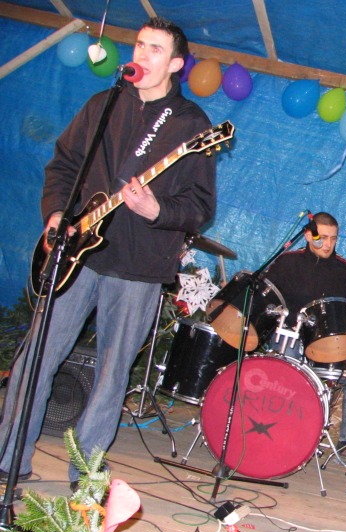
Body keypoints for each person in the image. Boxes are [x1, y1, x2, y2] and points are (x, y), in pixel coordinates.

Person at [0, 17, 216, 491]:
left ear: (176, 64)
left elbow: (200, 207)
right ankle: (8, 458)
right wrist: (57, 213)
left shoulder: (191, 125)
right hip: (77, 255)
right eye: (140, 44)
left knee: (112, 374)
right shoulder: (105, 103)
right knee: (37, 355)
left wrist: (157, 209)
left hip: (139, 267)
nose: (142, 54)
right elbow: (63, 164)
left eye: (155, 49)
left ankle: (86, 476)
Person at [263, 212, 346, 466]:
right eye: (322, 238)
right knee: (289, 357)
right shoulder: (287, 262)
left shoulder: (345, 271)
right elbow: (267, 298)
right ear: (307, 235)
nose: (328, 244)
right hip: (291, 337)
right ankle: (284, 431)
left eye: (333, 239)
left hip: (327, 342)